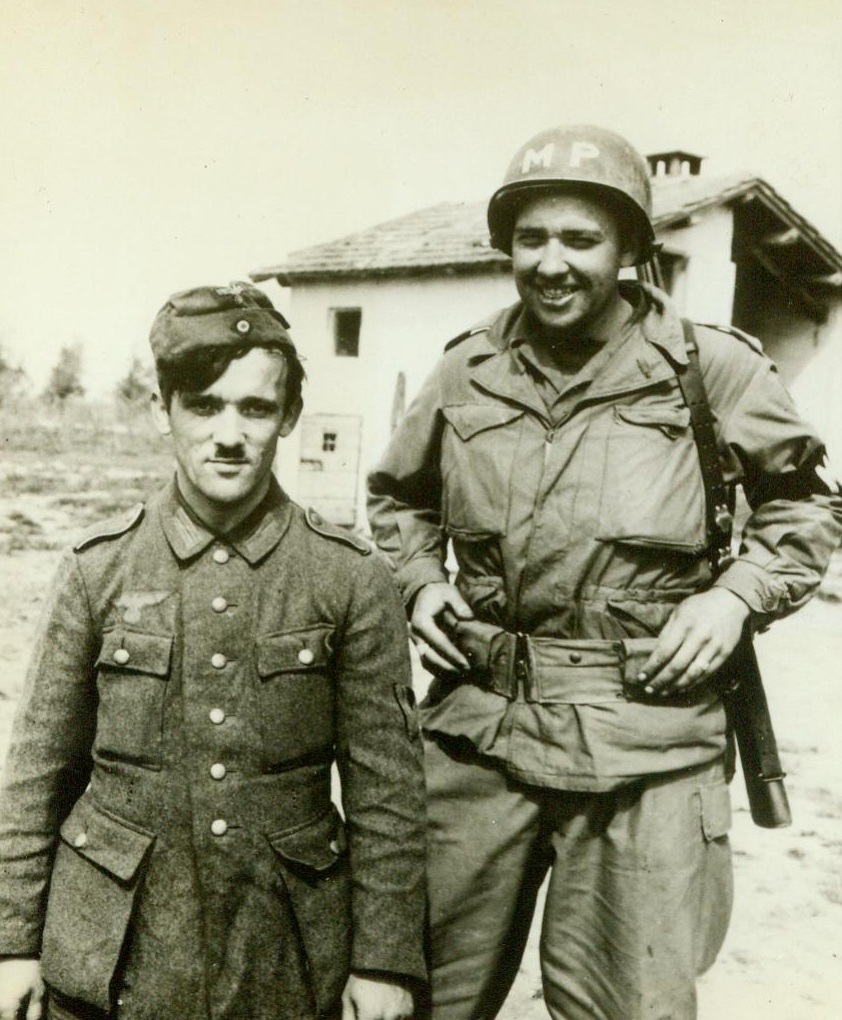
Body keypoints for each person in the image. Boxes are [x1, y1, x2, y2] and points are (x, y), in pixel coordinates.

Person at [367, 125, 842, 1020]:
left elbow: (809, 506)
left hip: (648, 751)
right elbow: (399, 498)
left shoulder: (713, 368)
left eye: (581, 239)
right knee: (409, 995)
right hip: (479, 737)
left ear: (630, 250)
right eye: (533, 238)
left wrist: (735, 599)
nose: (553, 263)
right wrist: (420, 579)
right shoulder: (466, 370)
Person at [0, 282, 426, 1020]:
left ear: (289, 415)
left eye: (255, 408)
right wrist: (12, 945)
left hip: (286, 955)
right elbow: (37, 774)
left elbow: (386, 791)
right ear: (162, 410)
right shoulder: (97, 570)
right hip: (112, 954)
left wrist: (384, 961)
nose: (229, 433)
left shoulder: (350, 578)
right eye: (203, 405)